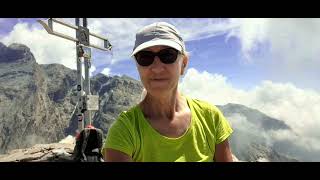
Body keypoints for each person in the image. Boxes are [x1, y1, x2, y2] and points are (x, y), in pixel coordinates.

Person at [102, 22, 233, 162]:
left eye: (168, 55)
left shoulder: (211, 117)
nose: (157, 68)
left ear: (183, 64)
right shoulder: (123, 132)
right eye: (145, 57)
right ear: (138, 66)